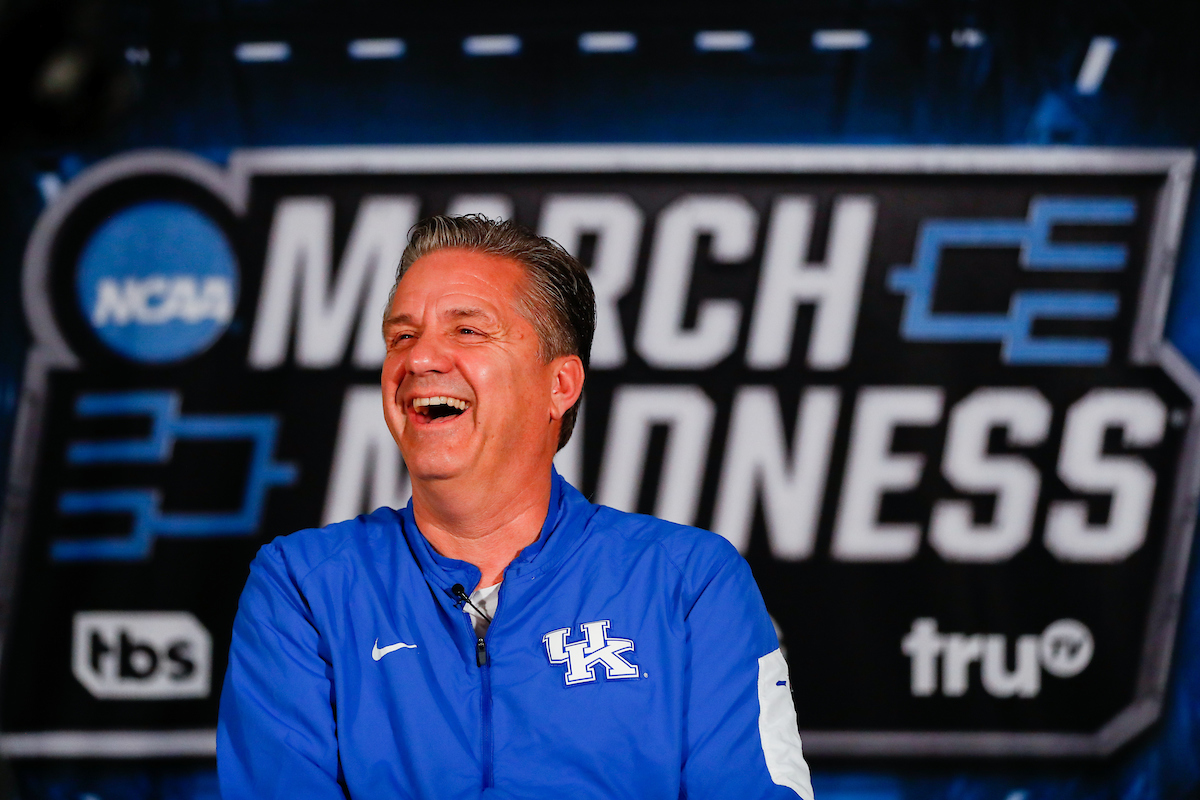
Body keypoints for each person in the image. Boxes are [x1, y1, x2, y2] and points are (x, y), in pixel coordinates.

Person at [217, 215, 813, 800]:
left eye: (467, 331)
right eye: (401, 336)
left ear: (560, 385)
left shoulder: (689, 581)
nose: (419, 360)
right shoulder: (302, 586)